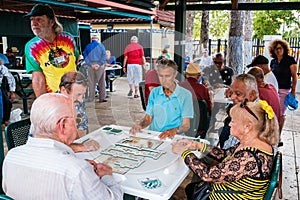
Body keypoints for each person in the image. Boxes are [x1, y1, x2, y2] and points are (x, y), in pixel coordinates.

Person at [2, 93, 123, 199]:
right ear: (63, 125)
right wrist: (107, 176)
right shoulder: (77, 171)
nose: (77, 125)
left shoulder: (11, 156)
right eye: (76, 120)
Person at [172, 100, 279, 200]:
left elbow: (207, 175)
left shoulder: (250, 158)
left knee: (181, 190)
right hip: (228, 192)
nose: (229, 124)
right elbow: (224, 154)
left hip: (223, 196)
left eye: (233, 121)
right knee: (188, 188)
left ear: (247, 126)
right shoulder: (254, 143)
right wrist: (197, 145)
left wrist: (184, 152)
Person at [24, 4, 80, 97]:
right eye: (32, 20)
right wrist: (43, 103)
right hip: (54, 95)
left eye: (39, 19)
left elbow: (76, 59)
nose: (34, 24)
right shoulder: (32, 47)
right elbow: (38, 79)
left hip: (75, 92)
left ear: (52, 22)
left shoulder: (68, 38)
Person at [130, 58, 194, 139]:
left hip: (174, 137)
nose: (164, 80)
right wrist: (140, 125)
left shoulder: (185, 95)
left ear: (175, 74)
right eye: (161, 76)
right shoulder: (154, 92)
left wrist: (174, 130)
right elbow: (148, 119)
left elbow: (186, 125)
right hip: (154, 135)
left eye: (167, 76)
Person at [221, 74, 259, 149]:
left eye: (238, 94)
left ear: (252, 95)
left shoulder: (249, 116)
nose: (232, 97)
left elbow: (227, 150)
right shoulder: (256, 106)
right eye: (231, 93)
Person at [268, 39, 298, 134]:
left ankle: (278, 135)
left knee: (281, 113)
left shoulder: (290, 60)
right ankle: (272, 133)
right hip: (273, 90)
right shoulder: (273, 62)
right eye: (276, 49)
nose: (278, 50)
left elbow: (294, 76)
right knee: (272, 112)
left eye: (280, 48)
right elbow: (270, 75)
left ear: (284, 49)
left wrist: (293, 91)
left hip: (284, 90)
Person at [179, 62, 212, 138]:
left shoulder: (179, 86)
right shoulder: (202, 89)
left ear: (186, 75)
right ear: (198, 76)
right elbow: (209, 107)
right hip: (199, 123)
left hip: (181, 121)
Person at [59, 71, 88, 137]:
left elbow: (82, 129)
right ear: (63, 90)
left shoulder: (78, 101)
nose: (80, 100)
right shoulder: (49, 106)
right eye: (78, 94)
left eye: (83, 95)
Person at [84, 35, 107, 103]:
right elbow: (104, 56)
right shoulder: (101, 46)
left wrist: (91, 64)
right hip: (100, 66)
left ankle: (91, 98)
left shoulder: (88, 46)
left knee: (91, 82)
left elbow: (85, 56)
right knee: (101, 82)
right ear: (98, 39)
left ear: (91, 39)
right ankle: (102, 98)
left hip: (91, 66)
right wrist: (99, 64)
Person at [0, 58, 15, 127]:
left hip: (1, 88)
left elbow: (11, 79)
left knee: (6, 102)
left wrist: (12, 92)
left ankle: (4, 120)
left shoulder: (3, 68)